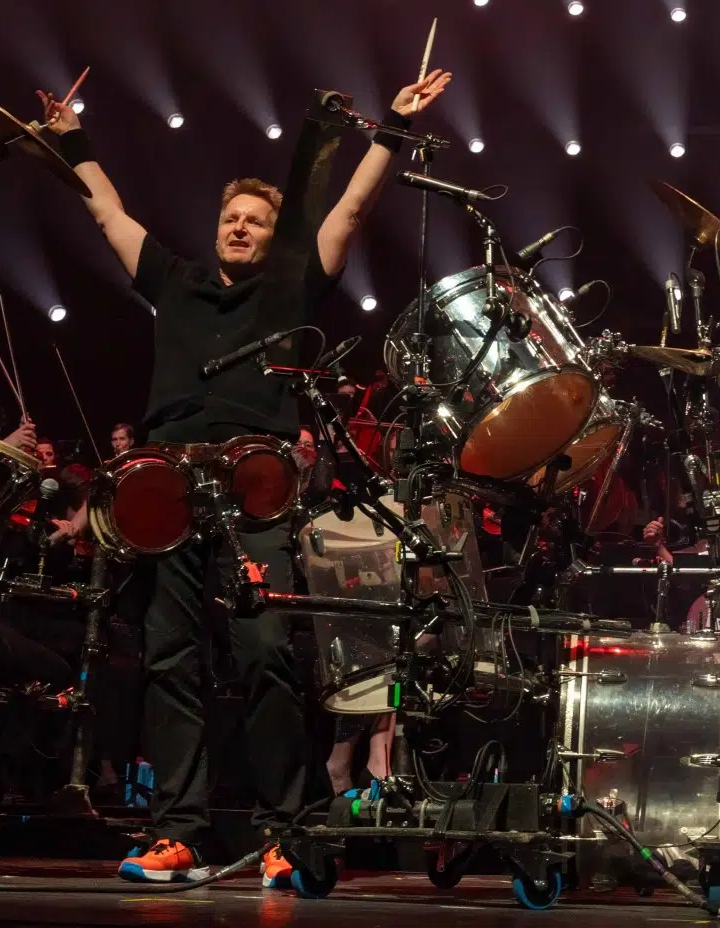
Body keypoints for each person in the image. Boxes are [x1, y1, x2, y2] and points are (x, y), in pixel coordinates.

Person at [38, 66, 451, 886]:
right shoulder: (177, 282)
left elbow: (351, 210)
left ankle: (284, 832)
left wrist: (393, 131)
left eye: (255, 220)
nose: (239, 228)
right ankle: (178, 830)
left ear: (272, 234)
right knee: (167, 658)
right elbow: (107, 214)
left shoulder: (294, 284)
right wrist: (72, 143)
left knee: (264, 652)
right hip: (167, 493)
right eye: (230, 217)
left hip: (255, 489)